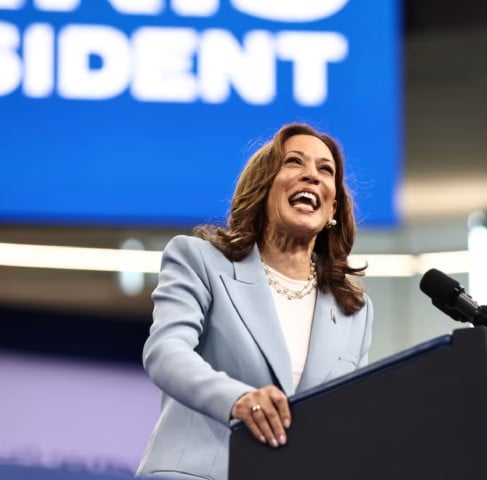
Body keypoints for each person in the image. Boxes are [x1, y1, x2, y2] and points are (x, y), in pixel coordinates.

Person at [136, 122, 374, 480]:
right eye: (294, 162)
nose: (312, 176)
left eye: (325, 170)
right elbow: (166, 353)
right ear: (264, 186)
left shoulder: (354, 310)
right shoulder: (199, 260)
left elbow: (351, 418)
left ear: (333, 208)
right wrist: (237, 400)